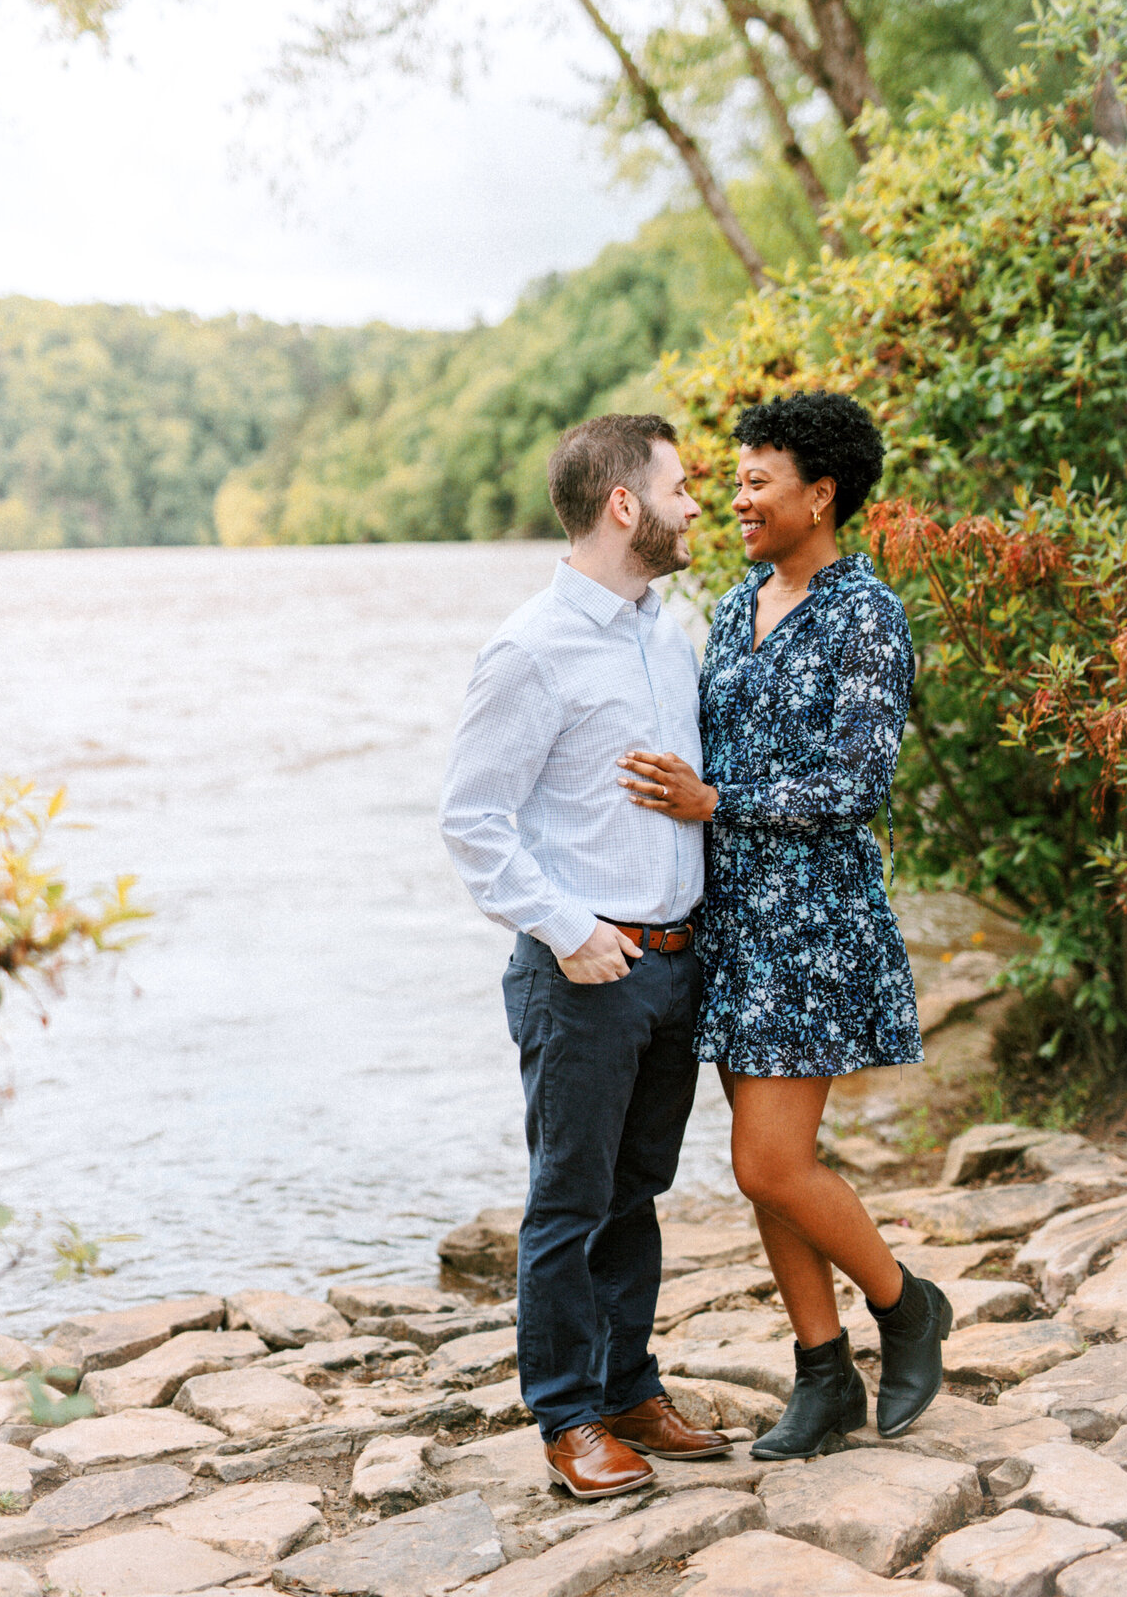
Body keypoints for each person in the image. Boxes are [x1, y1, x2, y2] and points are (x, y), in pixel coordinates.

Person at [618, 389, 952, 1459]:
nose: (741, 498)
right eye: (738, 479)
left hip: (814, 921)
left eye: (761, 481)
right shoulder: (732, 607)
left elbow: (857, 780)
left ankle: (907, 1308)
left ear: (824, 493)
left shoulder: (867, 616)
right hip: (733, 920)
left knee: (769, 1162)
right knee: (766, 1153)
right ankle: (823, 1374)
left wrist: (717, 803)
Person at [439, 413, 731, 1500]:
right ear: (625, 505)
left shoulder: (664, 631)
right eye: (680, 486)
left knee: (637, 1192)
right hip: (583, 976)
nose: (696, 503)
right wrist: (569, 931)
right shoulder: (529, 647)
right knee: (568, 1203)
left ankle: (630, 1389)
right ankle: (567, 1420)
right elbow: (473, 821)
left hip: (673, 966)